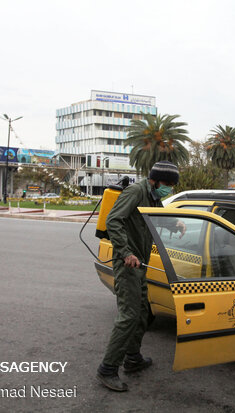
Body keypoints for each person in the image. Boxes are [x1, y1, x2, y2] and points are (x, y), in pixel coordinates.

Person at [97, 160, 185, 392]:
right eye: (167, 184)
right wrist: (125, 252)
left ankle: (133, 358)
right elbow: (113, 220)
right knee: (129, 315)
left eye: (172, 185)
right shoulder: (136, 191)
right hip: (127, 263)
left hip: (140, 264)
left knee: (142, 312)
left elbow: (154, 220)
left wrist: (175, 224)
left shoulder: (154, 197)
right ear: (155, 180)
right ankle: (107, 369)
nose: (170, 189)